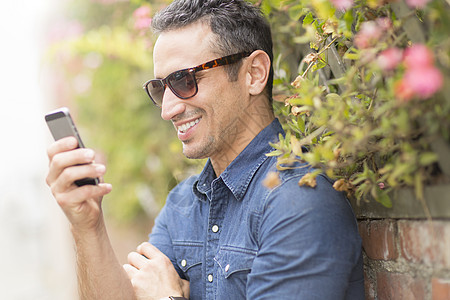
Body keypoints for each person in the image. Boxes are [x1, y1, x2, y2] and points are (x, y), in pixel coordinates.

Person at [46, 0, 365, 299]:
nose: (168, 109)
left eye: (185, 81)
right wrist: (87, 226)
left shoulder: (298, 203)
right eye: (160, 88)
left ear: (253, 74)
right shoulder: (184, 204)